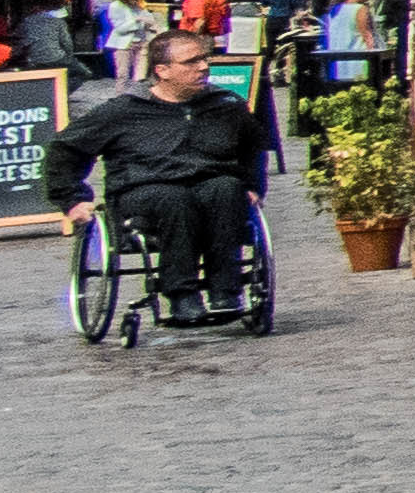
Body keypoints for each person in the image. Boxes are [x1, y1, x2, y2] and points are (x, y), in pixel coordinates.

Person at [50, 26, 266, 319]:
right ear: (162, 70)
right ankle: (182, 295)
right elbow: (65, 148)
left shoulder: (226, 105)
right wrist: (73, 199)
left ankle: (226, 291)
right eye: (191, 62)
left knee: (227, 188)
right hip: (145, 189)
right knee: (174, 198)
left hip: (211, 184)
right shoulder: (124, 111)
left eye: (204, 59)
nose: (203, 67)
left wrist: (253, 185)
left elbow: (253, 147)